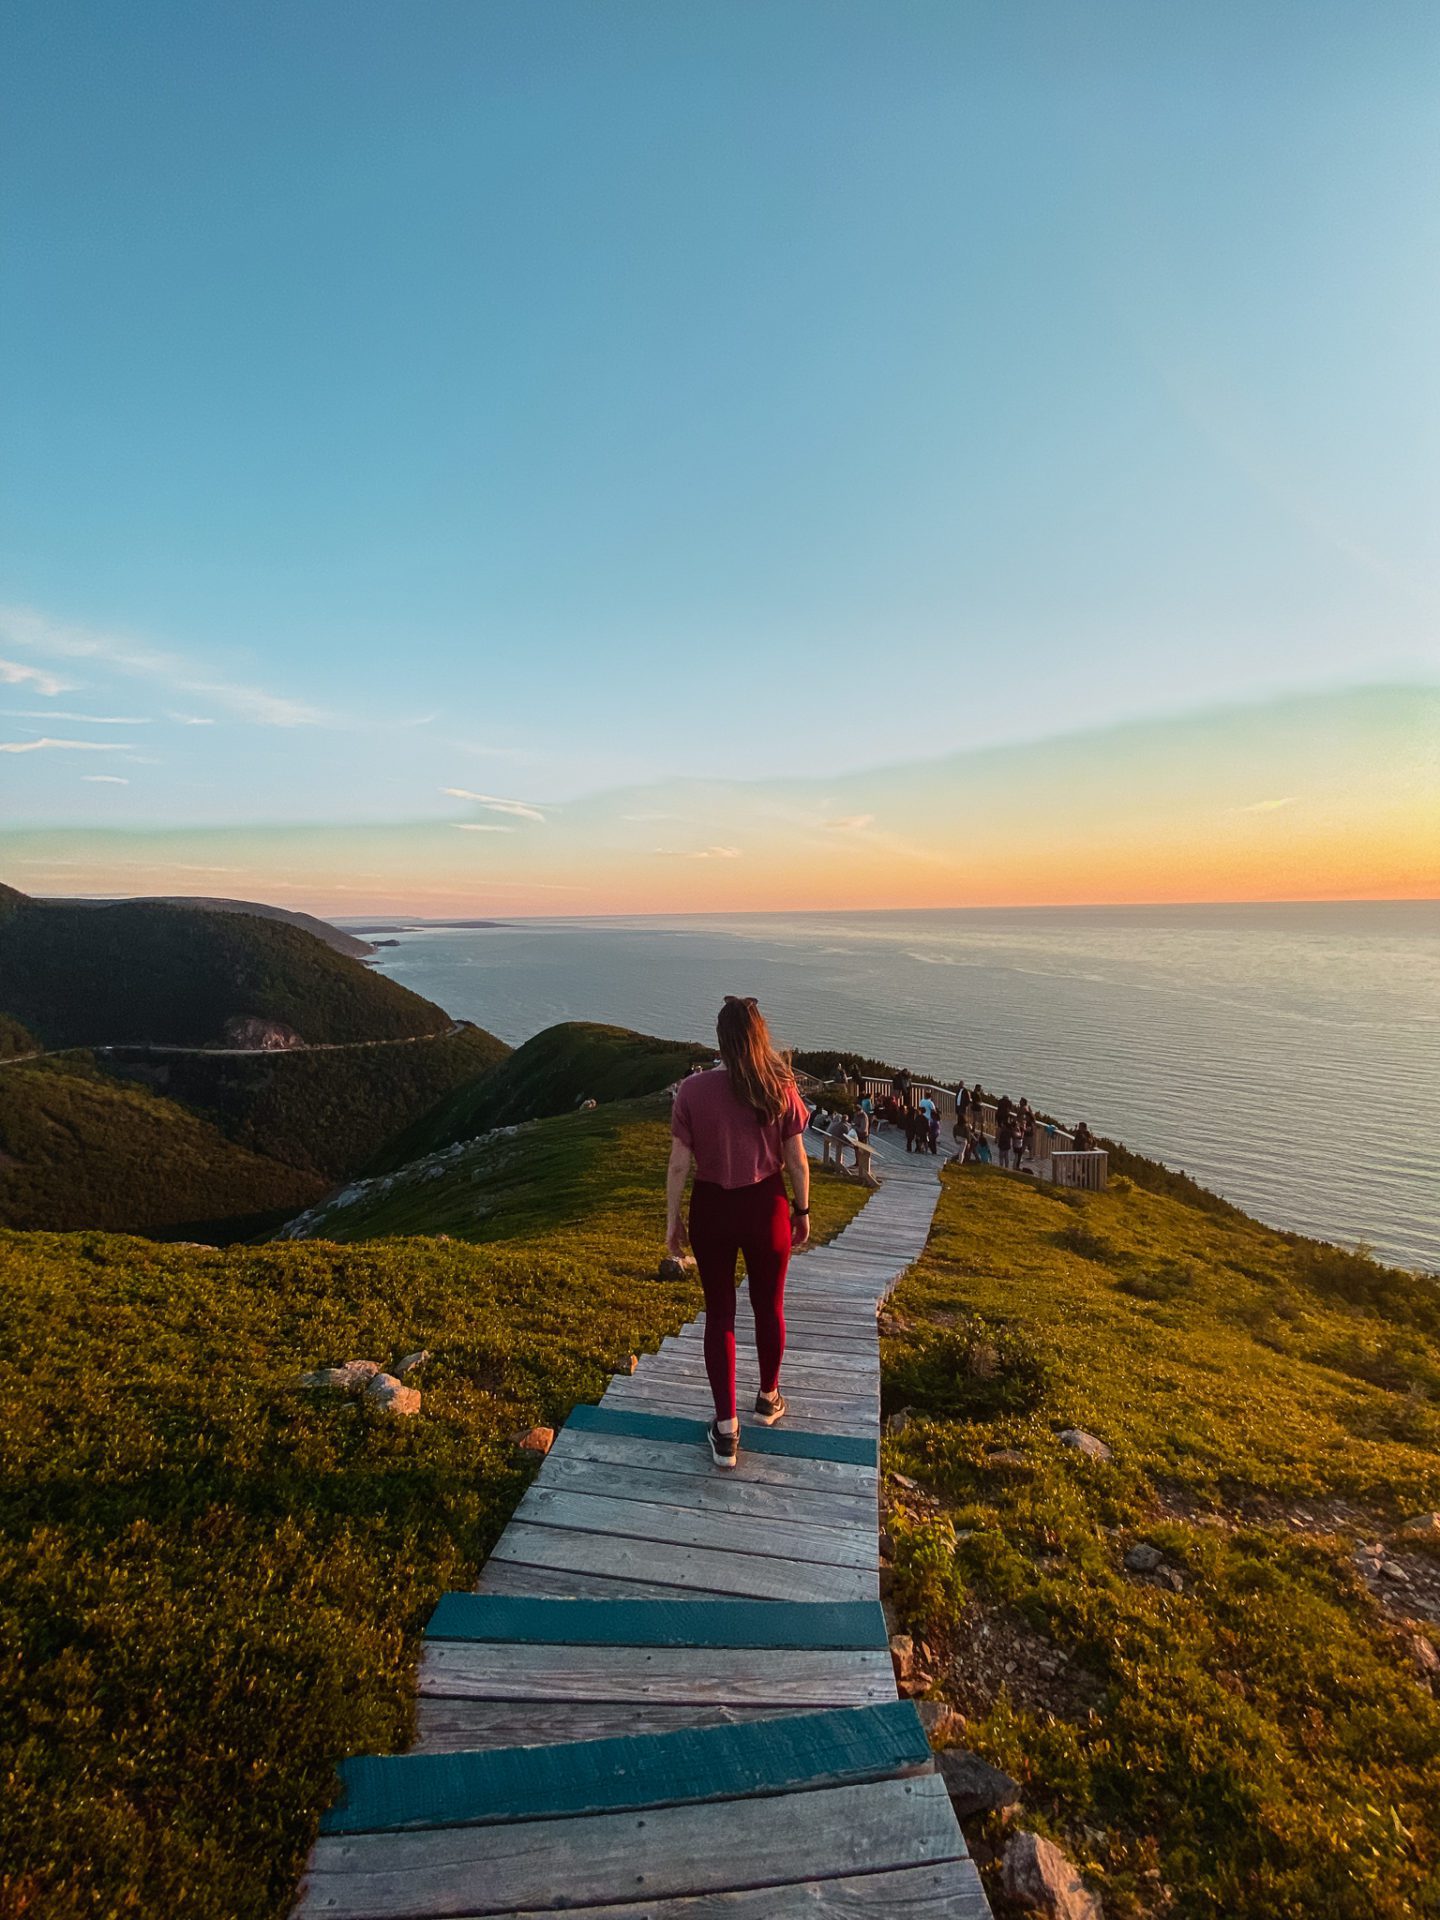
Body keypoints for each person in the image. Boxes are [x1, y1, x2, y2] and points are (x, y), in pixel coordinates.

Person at [667, 996, 810, 1470]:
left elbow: (679, 1164)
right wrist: (802, 1209)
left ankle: (726, 1430)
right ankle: (768, 1398)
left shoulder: (692, 1090)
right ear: (759, 1036)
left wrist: (673, 1221)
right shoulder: (779, 1088)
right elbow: (796, 1159)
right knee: (769, 1305)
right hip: (765, 1206)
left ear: (721, 1040)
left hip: (712, 1208)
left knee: (720, 1315)